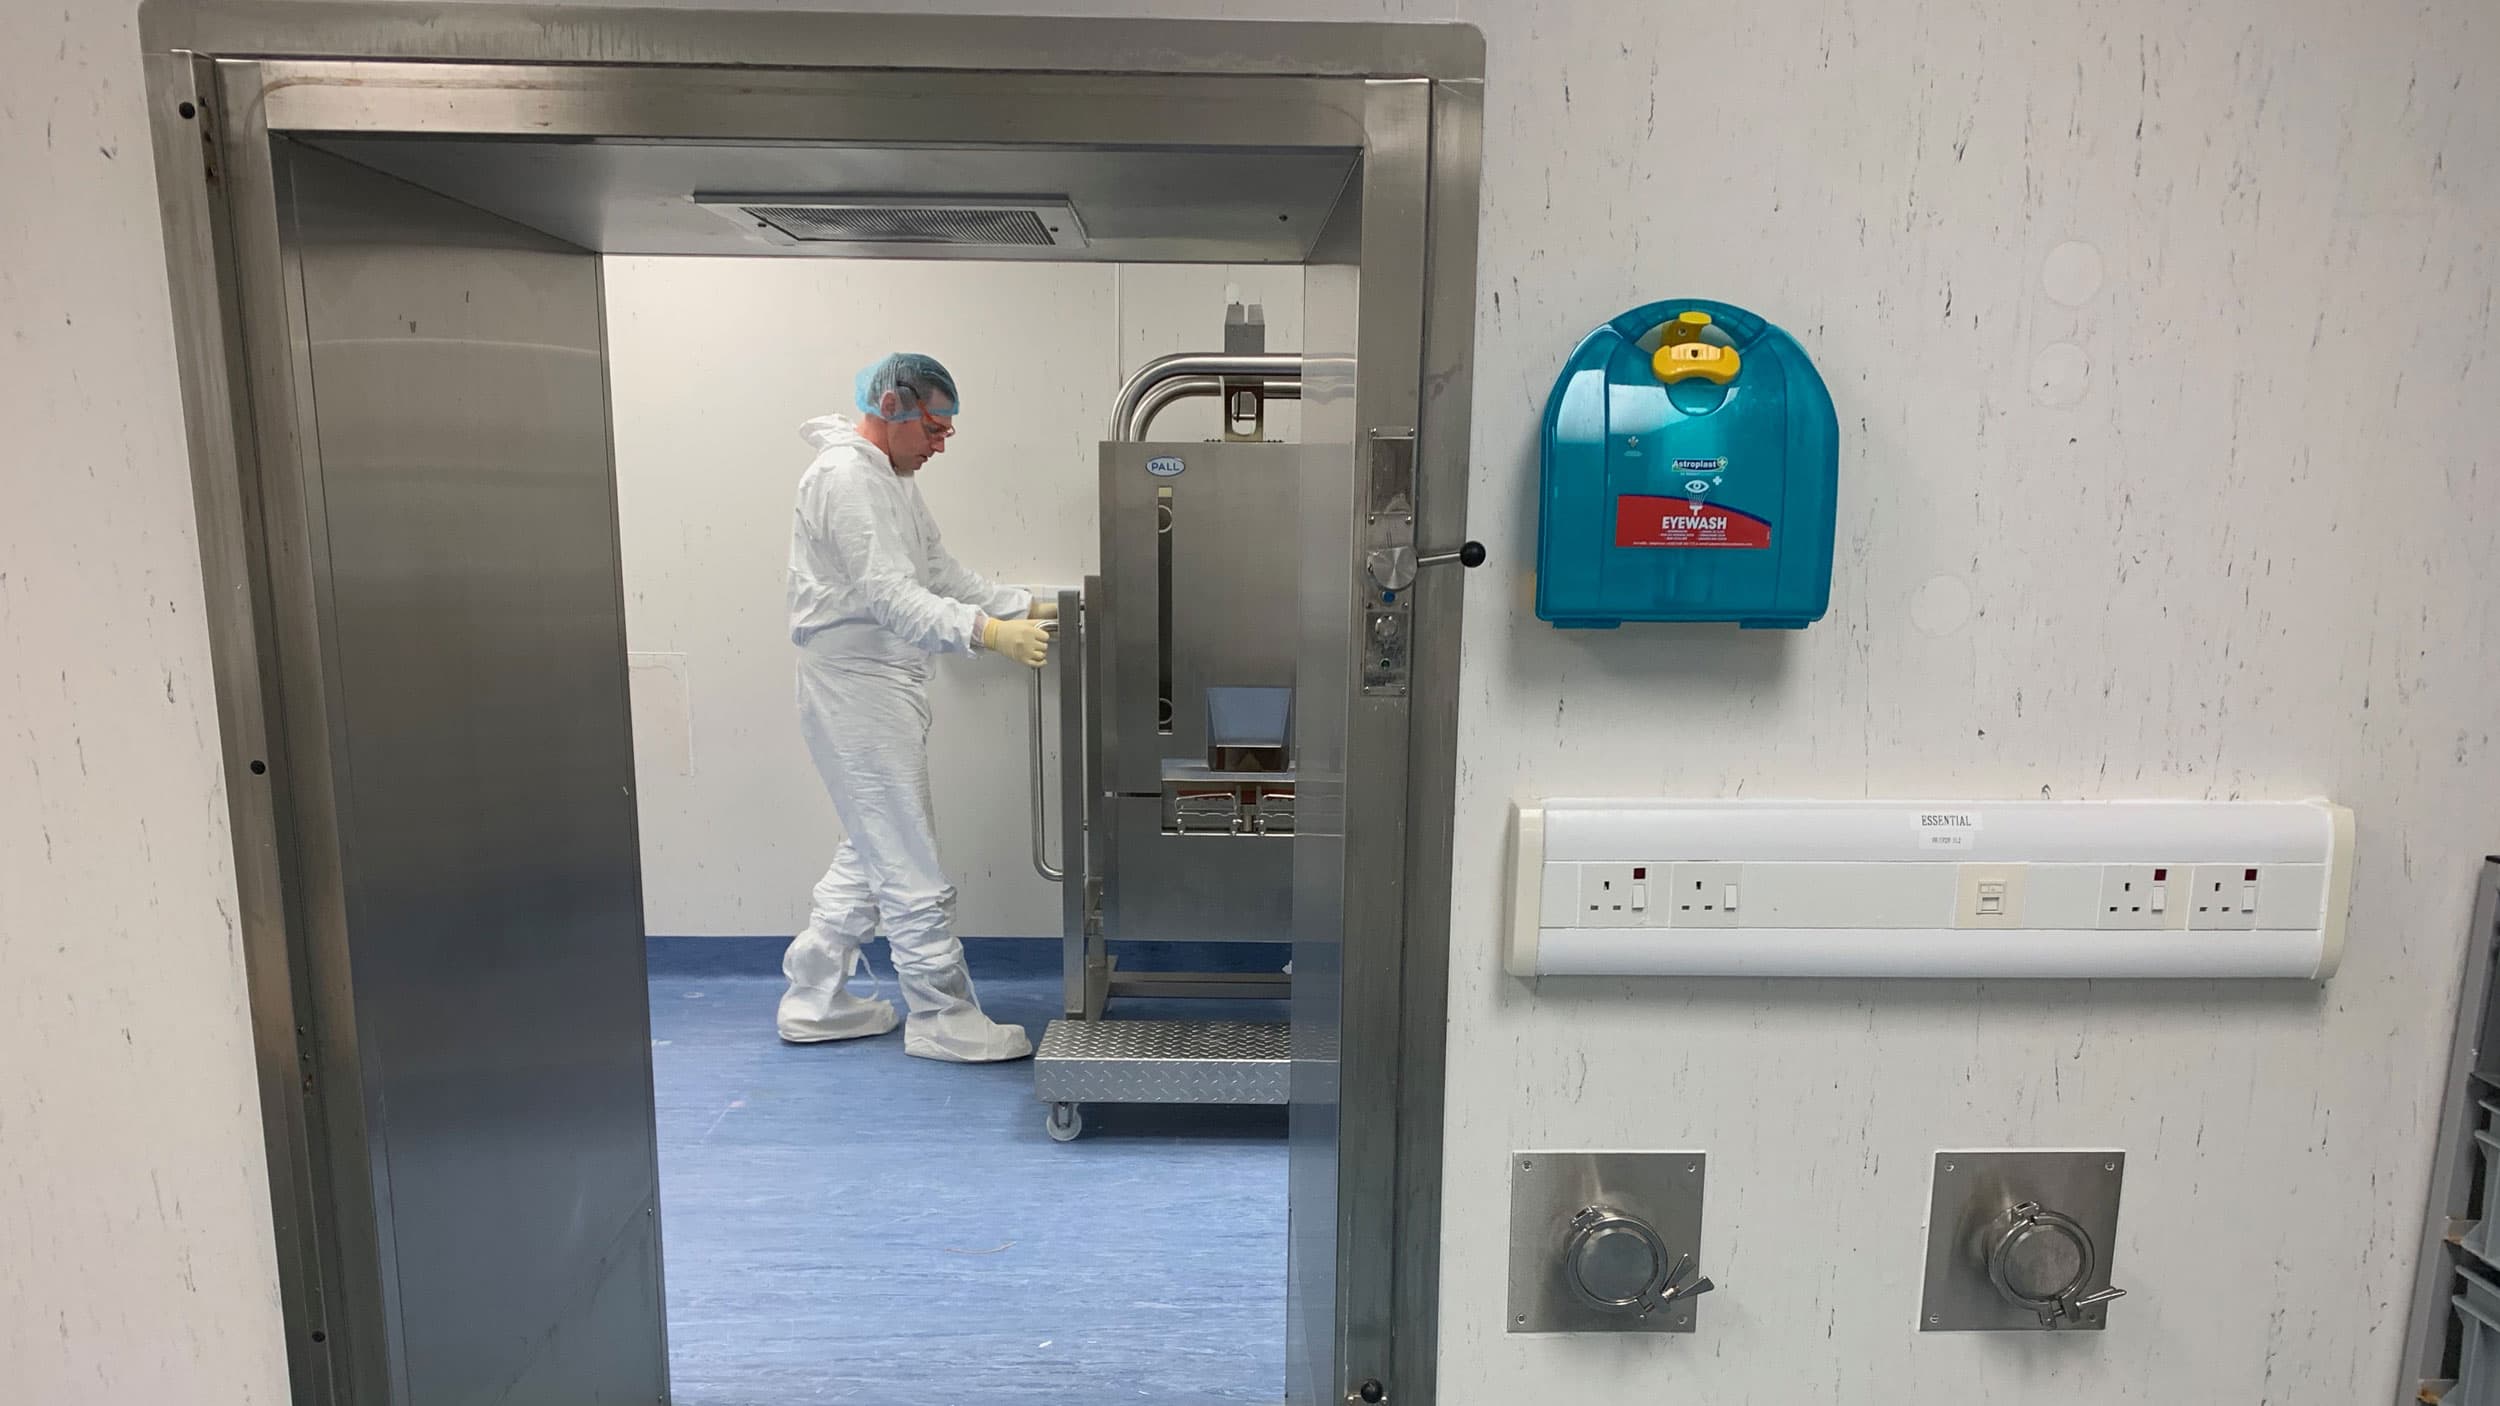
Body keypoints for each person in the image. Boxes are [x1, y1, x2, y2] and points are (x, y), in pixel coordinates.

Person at [775, 353, 1054, 1062]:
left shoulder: (890, 480)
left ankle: (814, 993)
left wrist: (1030, 604)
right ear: (892, 407)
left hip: (882, 680)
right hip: (856, 684)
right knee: (906, 852)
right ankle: (939, 1012)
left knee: (873, 843)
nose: (940, 443)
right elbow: (890, 597)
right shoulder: (846, 479)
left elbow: (939, 574)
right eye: (934, 427)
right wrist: (988, 634)